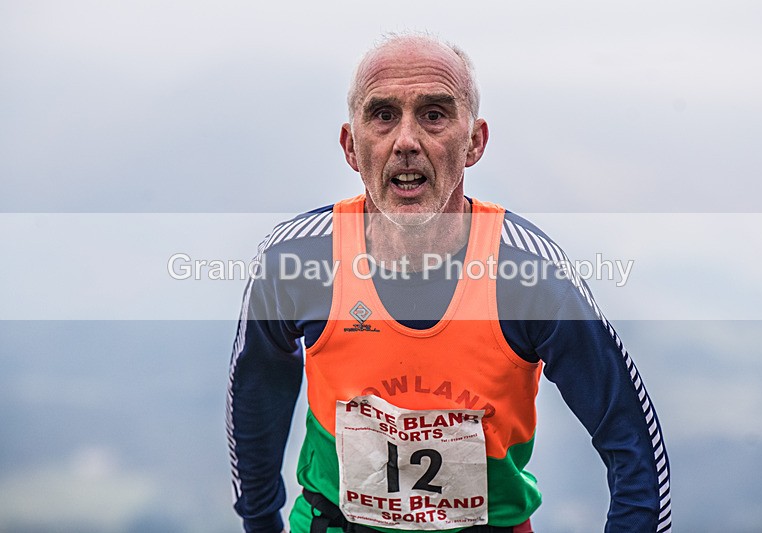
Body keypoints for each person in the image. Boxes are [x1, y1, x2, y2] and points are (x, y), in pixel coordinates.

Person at [227, 34, 671, 533]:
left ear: (474, 142)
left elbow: (634, 447)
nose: (406, 141)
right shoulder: (296, 261)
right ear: (351, 146)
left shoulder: (530, 276)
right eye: (383, 115)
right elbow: (256, 391)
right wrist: (260, 523)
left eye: (434, 114)